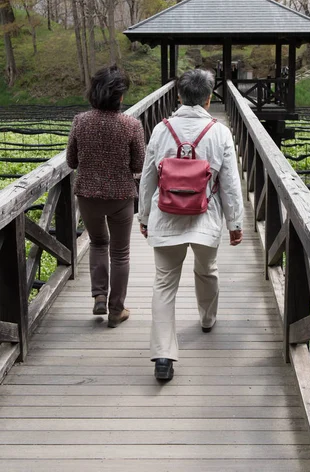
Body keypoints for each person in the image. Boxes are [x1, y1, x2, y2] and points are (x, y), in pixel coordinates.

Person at [138, 68, 244, 381]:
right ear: (209, 99)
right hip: (205, 216)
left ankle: (163, 354)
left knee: (164, 283)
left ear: (180, 96)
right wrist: (235, 222)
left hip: (166, 217)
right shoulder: (220, 131)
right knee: (207, 270)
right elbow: (230, 183)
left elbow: (148, 178)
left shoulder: (161, 129)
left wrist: (144, 216)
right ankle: (208, 317)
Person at [66, 64, 145, 328]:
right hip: (121, 196)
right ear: (120, 96)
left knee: (98, 243)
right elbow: (138, 165)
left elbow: (71, 161)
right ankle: (116, 310)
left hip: (87, 195)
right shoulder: (131, 125)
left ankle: (99, 295)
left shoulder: (80, 121)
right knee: (120, 252)